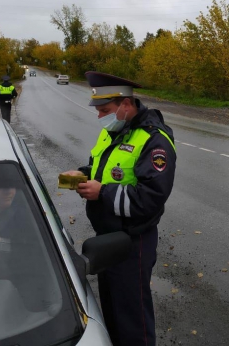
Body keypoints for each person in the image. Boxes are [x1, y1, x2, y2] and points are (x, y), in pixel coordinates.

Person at [64, 71, 176, 346]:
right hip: (108, 240)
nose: (101, 117)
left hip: (132, 242)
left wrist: (101, 192)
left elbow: (151, 198)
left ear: (126, 105)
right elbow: (107, 169)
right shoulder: (115, 130)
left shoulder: (154, 140)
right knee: (113, 312)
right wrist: (82, 174)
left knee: (132, 318)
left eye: (105, 110)